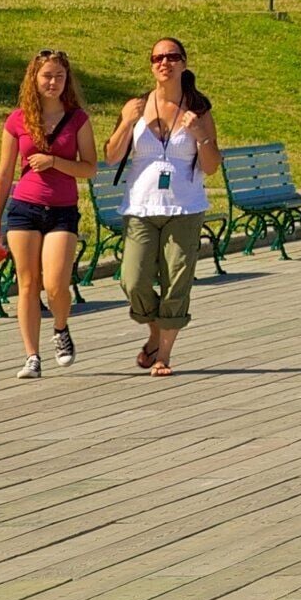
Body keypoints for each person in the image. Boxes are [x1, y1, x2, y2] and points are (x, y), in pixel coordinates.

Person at [102, 37, 220, 376]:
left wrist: (200, 135)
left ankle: (163, 355)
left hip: (185, 208)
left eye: (171, 57)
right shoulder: (136, 106)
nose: (163, 63)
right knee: (133, 279)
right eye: (157, 58)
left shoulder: (198, 109)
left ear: (183, 63)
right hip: (140, 207)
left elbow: (211, 165)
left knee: (177, 280)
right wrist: (126, 122)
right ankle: (155, 330)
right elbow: (111, 157)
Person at [0, 48, 94, 379]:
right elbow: (4, 173)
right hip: (24, 208)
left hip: (62, 210)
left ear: (67, 80)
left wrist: (55, 162)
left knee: (56, 283)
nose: (53, 82)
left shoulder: (78, 119)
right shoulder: (17, 119)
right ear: (34, 79)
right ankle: (32, 356)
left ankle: (60, 329)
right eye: (47, 76)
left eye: (59, 77)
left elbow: (89, 168)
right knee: (27, 283)